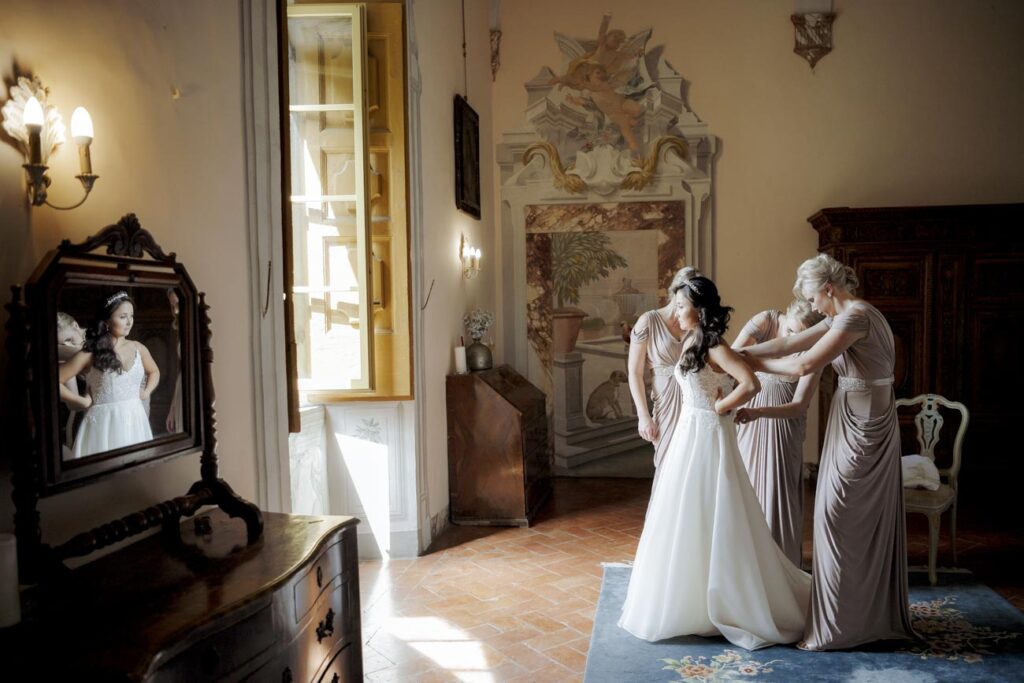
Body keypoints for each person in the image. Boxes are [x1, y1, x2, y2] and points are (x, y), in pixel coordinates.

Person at [619, 276, 811, 650]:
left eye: (681, 306)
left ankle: (724, 599)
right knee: (685, 512)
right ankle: (688, 597)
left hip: (708, 430)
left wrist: (722, 406)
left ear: (699, 307)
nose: (676, 313)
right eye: (674, 306)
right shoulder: (691, 339)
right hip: (690, 430)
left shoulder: (712, 342)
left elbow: (749, 383)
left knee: (715, 508)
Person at [739, 254, 915, 651]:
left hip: (866, 424)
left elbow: (802, 365)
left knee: (837, 515)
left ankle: (843, 625)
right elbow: (788, 342)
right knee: (837, 516)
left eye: (811, 296)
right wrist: (739, 355)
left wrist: (749, 362)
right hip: (851, 414)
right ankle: (853, 617)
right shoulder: (841, 317)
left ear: (827, 289)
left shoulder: (855, 317)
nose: (811, 304)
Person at [732, 299, 824, 565]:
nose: (792, 339)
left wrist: (759, 412)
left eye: (801, 336)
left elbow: (798, 406)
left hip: (782, 431)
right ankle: (745, 566)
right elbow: (734, 355)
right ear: (785, 316)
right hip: (747, 425)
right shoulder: (767, 321)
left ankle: (779, 566)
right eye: (790, 331)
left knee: (776, 495)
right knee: (745, 490)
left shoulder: (815, 353)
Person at [60, 291, 160, 458]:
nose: (129, 322)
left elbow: (154, 371)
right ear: (106, 321)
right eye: (122, 317)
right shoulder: (90, 354)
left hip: (135, 420)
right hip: (103, 426)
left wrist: (147, 391)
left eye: (131, 316)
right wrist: (80, 401)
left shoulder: (138, 347)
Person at [626, 266, 699, 468]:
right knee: (667, 463)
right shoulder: (648, 321)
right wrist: (643, 416)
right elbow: (634, 372)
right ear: (675, 293)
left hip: (694, 400)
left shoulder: (696, 323)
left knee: (693, 464)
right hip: (666, 402)